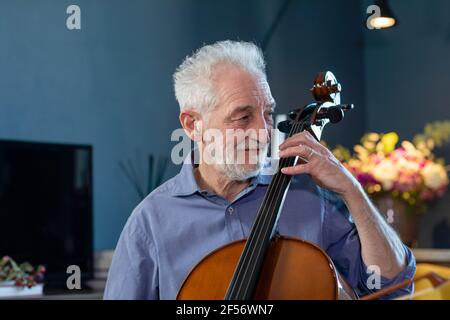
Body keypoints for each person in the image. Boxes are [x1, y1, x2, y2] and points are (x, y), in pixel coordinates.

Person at [104, 40, 415, 300]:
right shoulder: (150, 222)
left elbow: (389, 286)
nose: (264, 133)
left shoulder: (309, 198)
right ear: (192, 124)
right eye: (243, 117)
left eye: (267, 113)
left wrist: (352, 190)